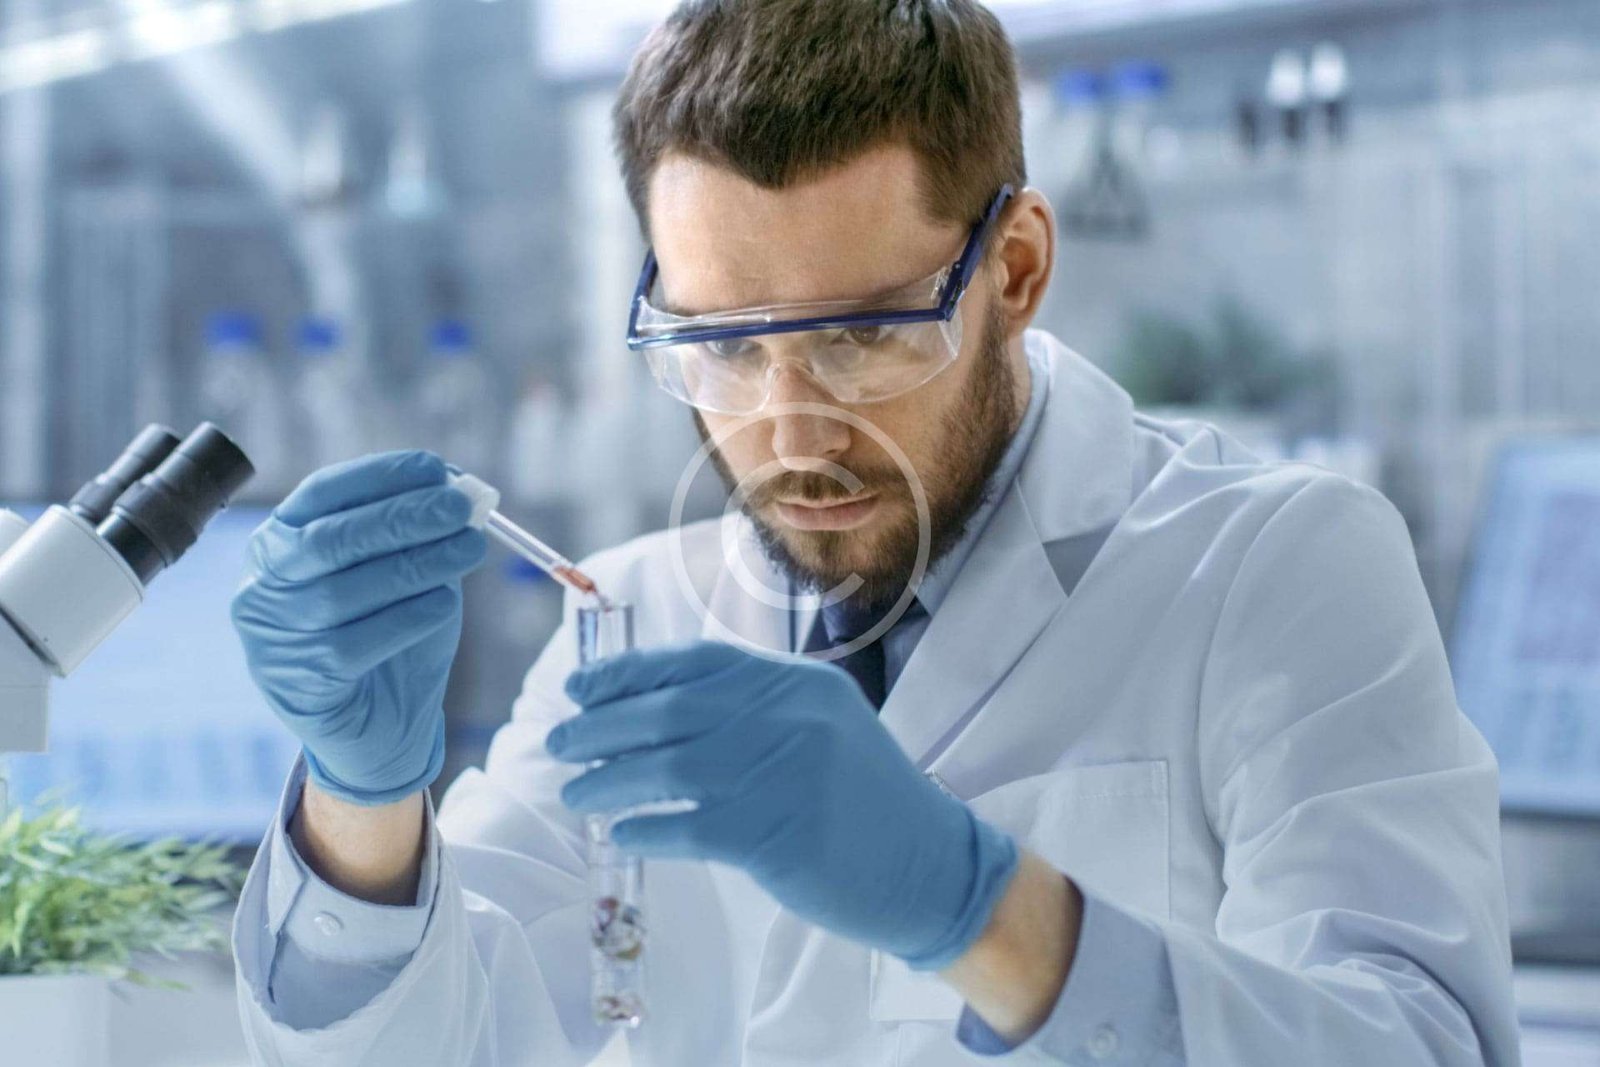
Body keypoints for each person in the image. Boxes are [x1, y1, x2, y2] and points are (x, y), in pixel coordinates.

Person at [227, 2, 1520, 1063]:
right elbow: (437, 1049)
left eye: (859, 336)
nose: (790, 434)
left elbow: (1416, 1043)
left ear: (1012, 271)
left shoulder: (1273, 568)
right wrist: (362, 807)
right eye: (720, 346)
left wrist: (977, 905)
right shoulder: (631, 617)